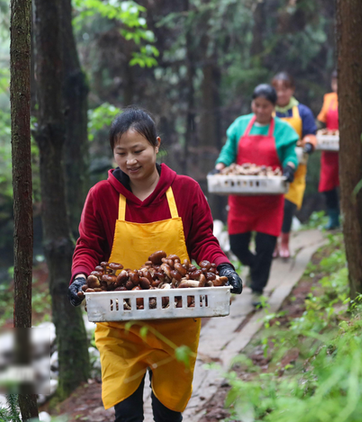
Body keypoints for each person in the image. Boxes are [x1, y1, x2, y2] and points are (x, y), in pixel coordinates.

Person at [68, 108, 242, 422]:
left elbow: (203, 240)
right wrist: (80, 276)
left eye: (138, 151)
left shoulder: (186, 190)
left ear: (156, 145)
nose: (130, 161)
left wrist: (223, 267)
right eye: (121, 153)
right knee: (127, 414)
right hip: (121, 322)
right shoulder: (101, 196)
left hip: (175, 321)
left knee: (168, 412)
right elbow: (88, 247)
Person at [213, 84, 298, 306]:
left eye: (265, 106)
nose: (260, 110)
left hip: (269, 203)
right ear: (252, 104)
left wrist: (289, 167)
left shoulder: (282, 130)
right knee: (237, 245)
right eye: (257, 105)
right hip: (241, 200)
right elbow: (228, 152)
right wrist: (220, 166)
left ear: (273, 106)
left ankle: (258, 289)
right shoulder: (240, 125)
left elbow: (291, 155)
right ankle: (254, 266)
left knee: (266, 246)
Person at [271, 72, 318, 259]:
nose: (281, 94)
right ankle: (272, 243)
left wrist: (308, 144)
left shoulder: (303, 112)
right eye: (277, 90)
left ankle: (284, 242)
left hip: (296, 170)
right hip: (272, 169)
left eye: (285, 89)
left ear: (292, 90)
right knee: (271, 207)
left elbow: (310, 133)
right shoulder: (269, 110)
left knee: (287, 206)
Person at [316, 70, 362, 230]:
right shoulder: (328, 98)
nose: (337, 86)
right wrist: (316, 132)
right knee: (327, 185)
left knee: (350, 183)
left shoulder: (360, 98)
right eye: (335, 82)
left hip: (350, 150)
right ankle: (333, 218)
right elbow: (321, 121)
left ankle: (352, 217)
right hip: (330, 150)